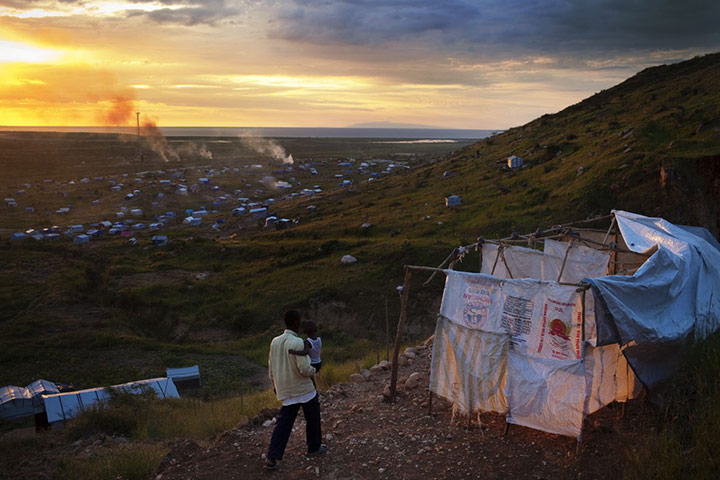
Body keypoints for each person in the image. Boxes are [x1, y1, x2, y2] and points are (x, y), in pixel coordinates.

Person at [265, 310, 327, 470]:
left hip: (285, 389)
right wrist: (315, 371)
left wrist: (275, 384)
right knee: (312, 418)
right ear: (294, 323)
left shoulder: (275, 342)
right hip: (303, 389)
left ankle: (272, 457)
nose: (300, 324)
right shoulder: (298, 342)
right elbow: (305, 369)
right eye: (299, 322)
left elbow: (271, 367)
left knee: (284, 423)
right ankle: (314, 447)